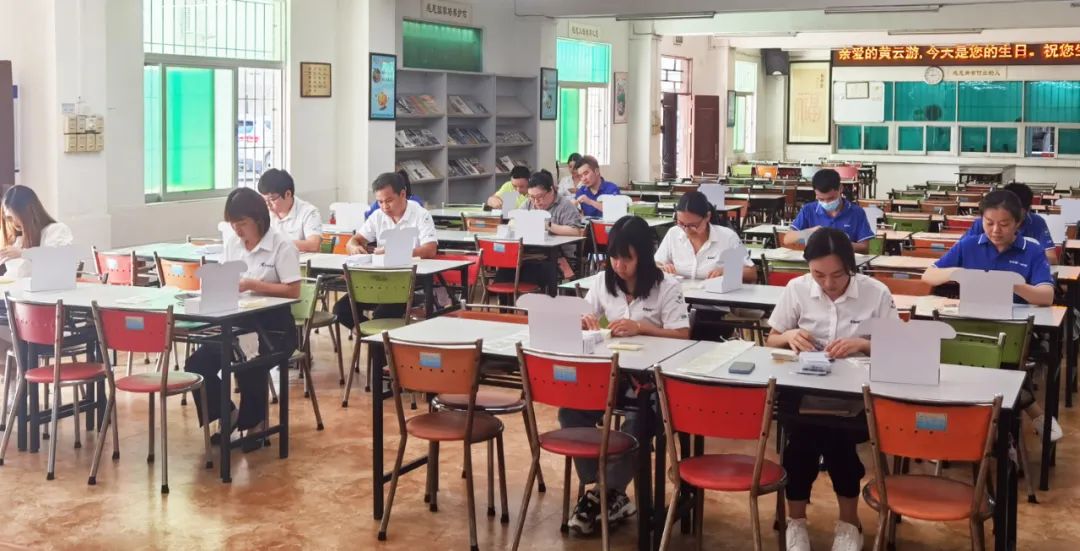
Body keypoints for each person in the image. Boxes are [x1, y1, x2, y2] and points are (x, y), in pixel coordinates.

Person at [766, 228, 897, 551]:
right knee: (803, 444)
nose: (828, 283)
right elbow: (772, 339)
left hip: (855, 396)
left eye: (837, 275)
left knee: (831, 438)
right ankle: (798, 523)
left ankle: (847, 524)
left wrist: (863, 344)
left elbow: (898, 347)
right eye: (818, 275)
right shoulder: (797, 289)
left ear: (851, 266)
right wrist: (790, 336)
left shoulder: (876, 293)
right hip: (804, 387)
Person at [561, 216, 690, 536]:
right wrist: (582, 320)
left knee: (639, 422)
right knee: (569, 411)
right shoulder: (602, 282)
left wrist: (642, 328)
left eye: (627, 258)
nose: (619, 265)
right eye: (614, 257)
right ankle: (606, 489)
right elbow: (583, 315)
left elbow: (683, 335)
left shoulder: (667, 287)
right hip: (610, 378)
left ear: (643, 256)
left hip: (653, 384)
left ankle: (603, 494)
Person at [922, 189, 1062, 441]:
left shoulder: (1032, 250)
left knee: (998, 367)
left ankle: (1000, 437)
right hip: (968, 328)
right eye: (989, 223)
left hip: (1012, 332)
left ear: (1018, 222)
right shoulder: (969, 244)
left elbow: (1046, 296)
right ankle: (1023, 411)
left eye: (1004, 224)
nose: (996, 230)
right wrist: (955, 273)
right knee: (955, 364)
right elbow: (928, 275)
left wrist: (1012, 283)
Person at [185, 188, 300, 451]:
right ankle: (227, 414)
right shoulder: (233, 244)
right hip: (236, 323)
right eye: (233, 224)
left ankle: (255, 423)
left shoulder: (281, 245)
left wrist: (253, 284)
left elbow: (293, 291)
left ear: (258, 219)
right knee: (196, 363)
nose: (237, 230)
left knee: (249, 362)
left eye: (242, 223)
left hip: (273, 329)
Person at [335, 172, 438, 329]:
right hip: (378, 279)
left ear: (402, 194)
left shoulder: (421, 215)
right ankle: (372, 337)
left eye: (389, 201)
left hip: (406, 281)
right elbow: (353, 241)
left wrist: (395, 253)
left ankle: (376, 339)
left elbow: (430, 249)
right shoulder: (378, 216)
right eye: (380, 202)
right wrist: (354, 247)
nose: (384, 206)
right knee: (341, 310)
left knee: (381, 316)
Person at [656, 191, 757, 282]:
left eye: (693, 225)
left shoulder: (727, 237)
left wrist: (726, 271)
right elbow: (656, 263)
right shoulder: (673, 233)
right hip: (680, 294)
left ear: (707, 217)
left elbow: (751, 273)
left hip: (715, 295)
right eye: (681, 223)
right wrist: (662, 268)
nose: (686, 230)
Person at [962, 182, 1057, 264]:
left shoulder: (1037, 222)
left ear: (1027, 209)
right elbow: (963, 252)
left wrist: (1016, 262)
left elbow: (1052, 258)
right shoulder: (984, 222)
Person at [785, 169, 874, 253]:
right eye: (821, 199)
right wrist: (809, 233)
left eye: (831, 198)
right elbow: (788, 239)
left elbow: (864, 247)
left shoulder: (857, 212)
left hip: (845, 261)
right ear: (815, 193)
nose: (826, 203)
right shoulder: (808, 210)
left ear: (840, 188)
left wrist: (840, 245)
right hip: (816, 261)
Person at [523, 169, 583, 284]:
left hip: (559, 256)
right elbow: (514, 221)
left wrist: (547, 226)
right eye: (531, 197)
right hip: (532, 253)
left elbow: (575, 231)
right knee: (508, 268)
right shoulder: (529, 203)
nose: (536, 201)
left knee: (537, 270)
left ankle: (542, 293)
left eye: (540, 196)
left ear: (551, 190)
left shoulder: (565, 205)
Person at [0, 185, 73, 278]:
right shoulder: (17, 239)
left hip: (47, 286)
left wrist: (23, 253)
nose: (13, 222)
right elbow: (14, 274)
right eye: (9, 218)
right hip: (18, 286)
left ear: (30, 212)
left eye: (16, 216)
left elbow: (58, 261)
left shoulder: (56, 230)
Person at [257, 168, 323, 253]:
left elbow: (313, 245)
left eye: (272, 199)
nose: (267, 204)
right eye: (264, 199)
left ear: (288, 194)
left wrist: (277, 244)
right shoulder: (263, 212)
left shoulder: (309, 212)